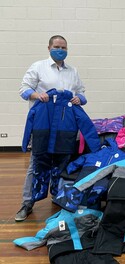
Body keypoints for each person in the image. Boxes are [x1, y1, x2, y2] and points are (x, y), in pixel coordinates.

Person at [16, 35, 87, 221]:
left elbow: (81, 92)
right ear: (49, 48)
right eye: (57, 46)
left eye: (63, 47)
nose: (60, 50)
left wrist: (79, 98)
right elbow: (23, 89)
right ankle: (27, 202)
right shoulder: (38, 67)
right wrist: (37, 95)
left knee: (63, 162)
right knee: (37, 162)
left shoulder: (73, 71)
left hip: (65, 126)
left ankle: (59, 198)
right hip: (43, 125)